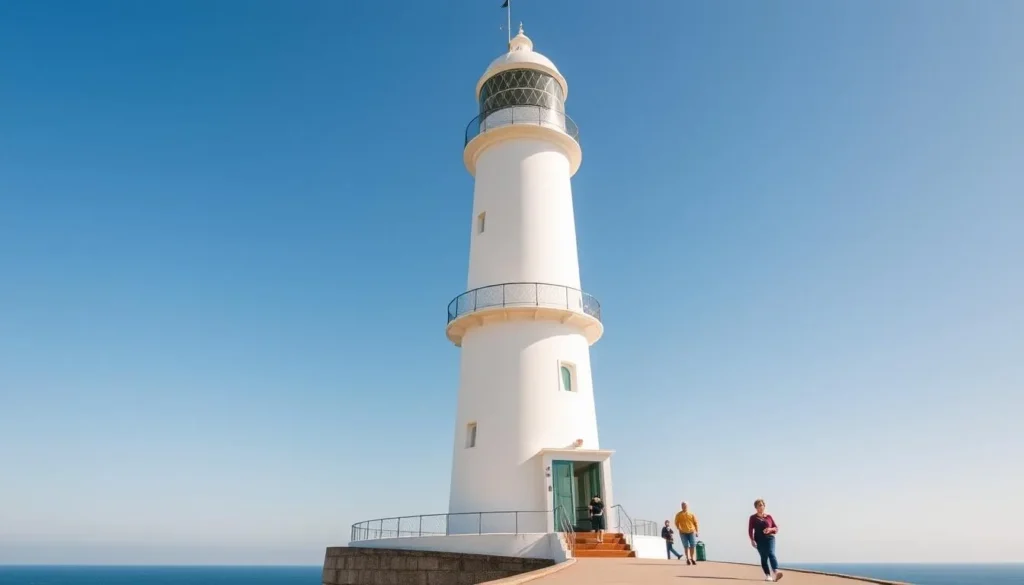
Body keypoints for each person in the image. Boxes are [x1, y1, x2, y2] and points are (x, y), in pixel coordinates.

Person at [748, 499, 784, 582]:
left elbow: (776, 528)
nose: (761, 507)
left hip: (770, 538)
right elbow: (750, 530)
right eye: (759, 505)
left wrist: (770, 529)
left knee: (771, 553)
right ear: (756, 507)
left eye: (762, 505)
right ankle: (768, 575)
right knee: (764, 557)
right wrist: (752, 540)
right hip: (759, 540)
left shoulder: (769, 517)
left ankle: (776, 571)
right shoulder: (753, 518)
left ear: (764, 506)